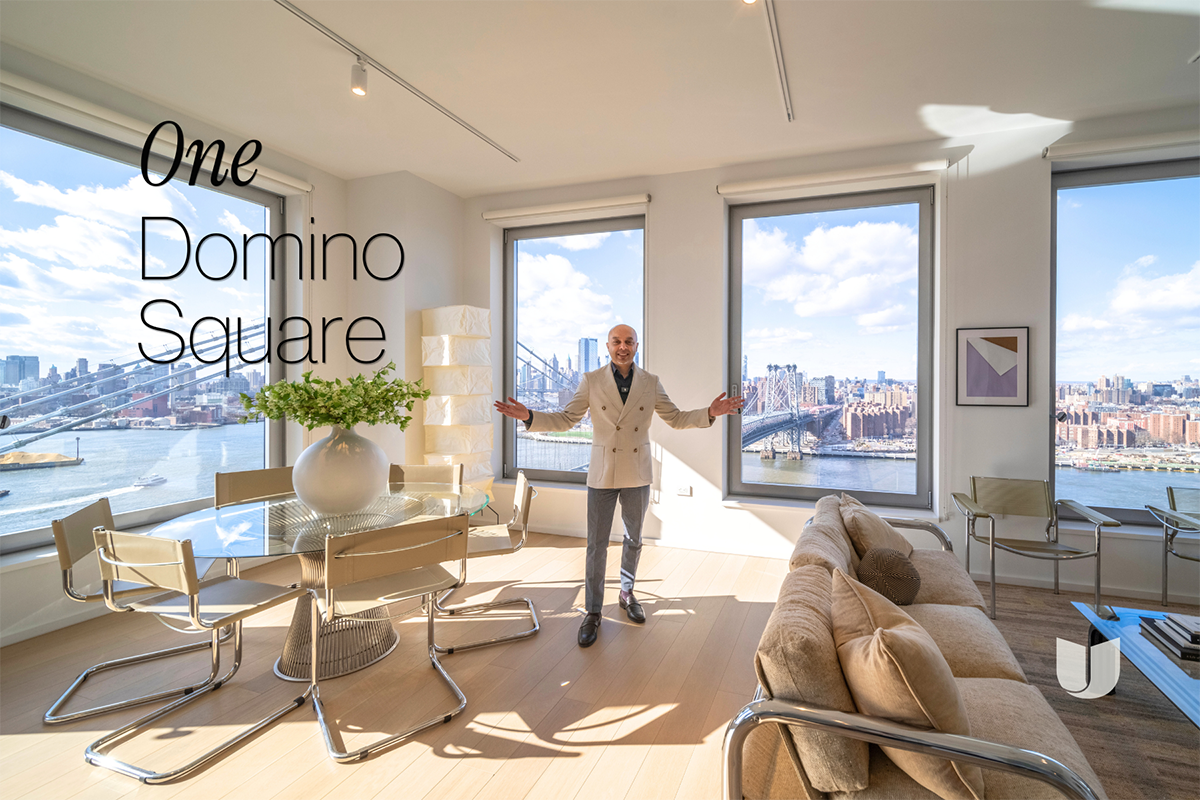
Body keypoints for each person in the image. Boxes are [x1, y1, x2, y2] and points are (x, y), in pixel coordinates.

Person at [494, 325, 743, 647]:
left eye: (628, 342)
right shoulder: (591, 380)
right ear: (608, 346)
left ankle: (626, 593)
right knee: (596, 544)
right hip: (603, 471)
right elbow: (567, 419)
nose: (622, 347)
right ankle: (594, 611)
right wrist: (530, 416)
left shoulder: (650, 383)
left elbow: (676, 417)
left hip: (636, 471)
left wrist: (710, 412)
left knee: (634, 539)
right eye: (616, 342)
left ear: (636, 346)